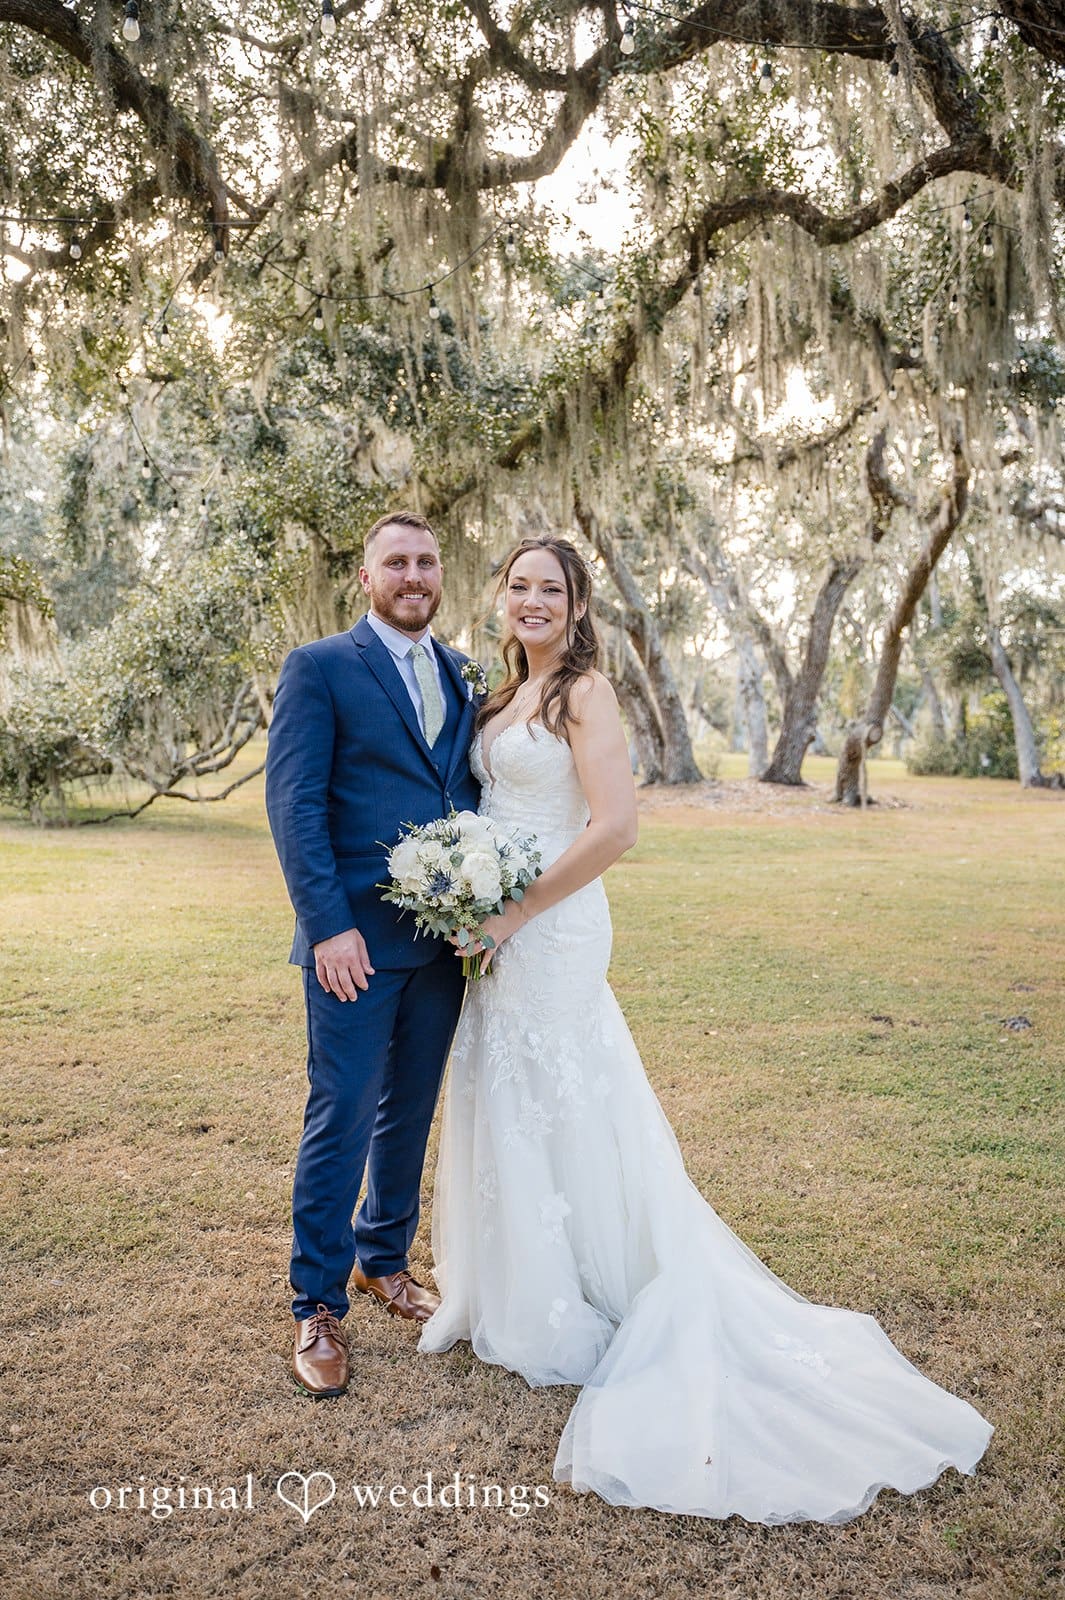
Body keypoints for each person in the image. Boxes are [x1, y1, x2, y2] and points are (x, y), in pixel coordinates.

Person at [419, 535, 994, 1522]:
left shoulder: (584, 695)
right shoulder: (499, 695)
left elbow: (615, 828)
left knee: (561, 1092)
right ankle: (508, 1291)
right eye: (518, 585)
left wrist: (514, 908)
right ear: (501, 597)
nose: (531, 600)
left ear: (578, 604)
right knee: (505, 1090)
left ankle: (577, 1296)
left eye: (550, 588)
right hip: (497, 924)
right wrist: (469, 886)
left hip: (551, 925)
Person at [265, 510, 482, 1398]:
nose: (414, 576)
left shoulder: (463, 672)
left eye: (427, 562)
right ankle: (316, 1304)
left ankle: (382, 1259)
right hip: (351, 942)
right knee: (343, 1111)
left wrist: (481, 904)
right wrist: (327, 926)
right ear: (366, 577)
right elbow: (294, 806)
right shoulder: (319, 668)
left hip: (440, 944)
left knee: (410, 1109)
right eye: (396, 562)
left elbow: (463, 791)